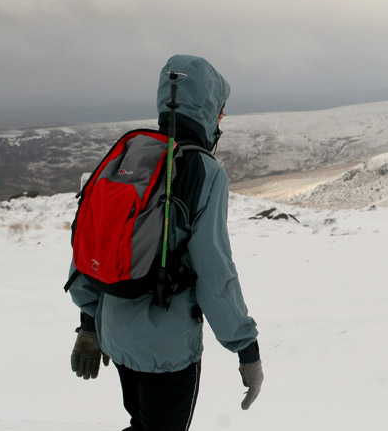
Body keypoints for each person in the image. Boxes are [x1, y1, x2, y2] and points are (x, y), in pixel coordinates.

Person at [67, 54, 263, 431]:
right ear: (209, 111)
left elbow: (89, 247)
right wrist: (246, 348)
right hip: (167, 350)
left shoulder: (129, 153)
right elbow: (214, 272)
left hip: (116, 334)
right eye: (220, 113)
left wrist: (89, 325)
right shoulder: (203, 170)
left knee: (140, 422)